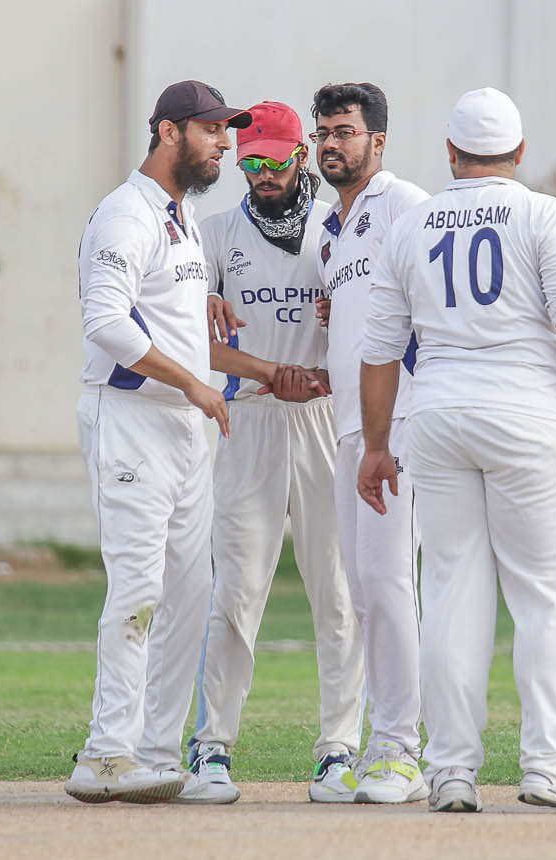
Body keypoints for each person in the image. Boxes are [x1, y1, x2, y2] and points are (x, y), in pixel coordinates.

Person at [356, 87, 556, 813]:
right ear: (520, 152)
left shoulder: (410, 225)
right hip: (528, 412)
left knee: (449, 593)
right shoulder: (543, 214)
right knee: (544, 599)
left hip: (437, 414)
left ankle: (450, 771)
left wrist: (376, 446)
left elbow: (379, 352)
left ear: (451, 152)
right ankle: (549, 767)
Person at [64, 80, 246, 804]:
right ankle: (106, 754)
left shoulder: (182, 215)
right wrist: (194, 382)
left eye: (226, 131)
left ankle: (157, 756)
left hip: (182, 430)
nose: (224, 143)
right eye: (211, 130)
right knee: (139, 588)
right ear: (169, 132)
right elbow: (107, 323)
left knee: (190, 596)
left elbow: (157, 299)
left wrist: (200, 304)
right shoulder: (126, 213)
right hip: (132, 419)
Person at [184, 100, 366, 804]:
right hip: (251, 419)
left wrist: (334, 336)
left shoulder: (337, 230)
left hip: (324, 418)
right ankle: (212, 748)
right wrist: (268, 371)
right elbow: (193, 343)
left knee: (338, 593)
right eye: (249, 161)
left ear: (300, 156)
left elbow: (374, 323)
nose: (261, 174)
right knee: (236, 590)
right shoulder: (213, 236)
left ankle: (338, 751)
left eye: (274, 161)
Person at [310, 81, 433, 804]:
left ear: (377, 141)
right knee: (362, 591)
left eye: (345, 132)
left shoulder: (403, 204)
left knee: (388, 585)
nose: (331, 144)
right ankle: (387, 742)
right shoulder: (330, 226)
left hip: (403, 422)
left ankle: (401, 750)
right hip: (350, 426)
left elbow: (433, 302)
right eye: (323, 133)